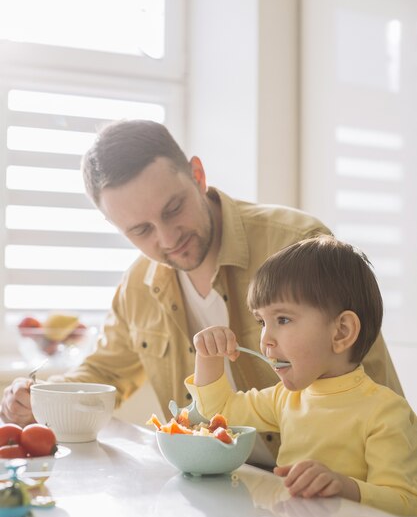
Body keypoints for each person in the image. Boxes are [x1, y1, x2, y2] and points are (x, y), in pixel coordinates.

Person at [0, 120, 403, 465]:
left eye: (173, 209)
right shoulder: (138, 286)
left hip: (317, 488)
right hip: (210, 482)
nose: (168, 239)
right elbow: (104, 371)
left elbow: (376, 389)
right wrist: (42, 397)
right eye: (140, 231)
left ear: (197, 174)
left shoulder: (297, 243)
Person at [186, 235, 417, 516]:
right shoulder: (287, 398)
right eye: (262, 322)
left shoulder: (385, 412)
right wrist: (208, 357)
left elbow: (405, 506)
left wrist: (345, 487)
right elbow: (220, 413)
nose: (266, 339)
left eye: (282, 319)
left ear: (341, 332)